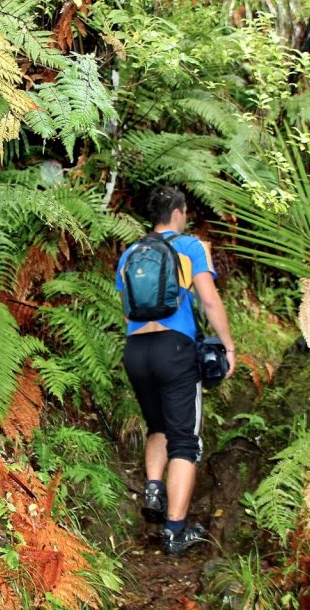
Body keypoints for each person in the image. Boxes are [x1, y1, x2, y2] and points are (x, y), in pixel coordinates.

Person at [115, 185, 236, 556]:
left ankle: (154, 486)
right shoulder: (190, 247)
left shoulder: (131, 253)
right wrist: (228, 346)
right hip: (175, 349)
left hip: (136, 351)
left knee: (158, 427)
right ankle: (175, 531)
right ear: (179, 212)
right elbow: (210, 300)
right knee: (185, 440)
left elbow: (127, 312)